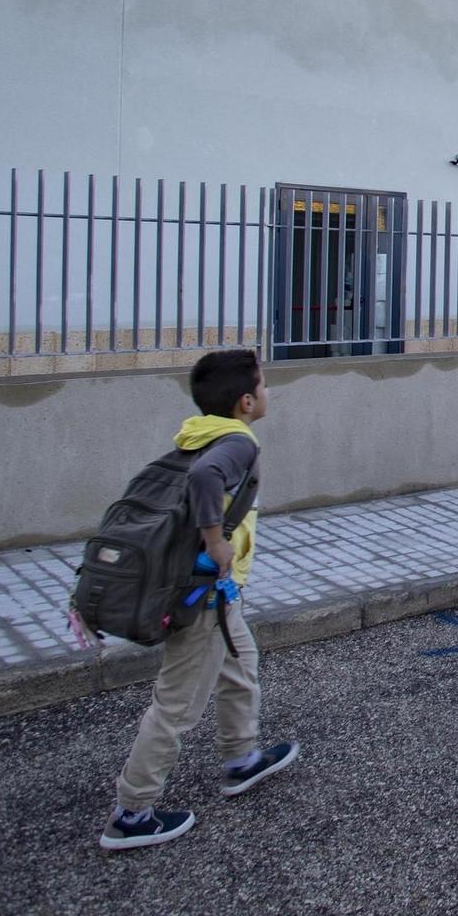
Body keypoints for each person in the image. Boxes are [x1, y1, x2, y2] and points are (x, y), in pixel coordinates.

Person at [100, 349, 299, 851]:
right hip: (203, 592)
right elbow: (206, 479)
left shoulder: (200, 431)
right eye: (264, 387)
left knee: (241, 660)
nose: (269, 395)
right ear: (246, 401)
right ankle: (132, 811)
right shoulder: (236, 443)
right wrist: (215, 539)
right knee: (176, 704)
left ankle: (240, 758)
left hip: (214, 591)